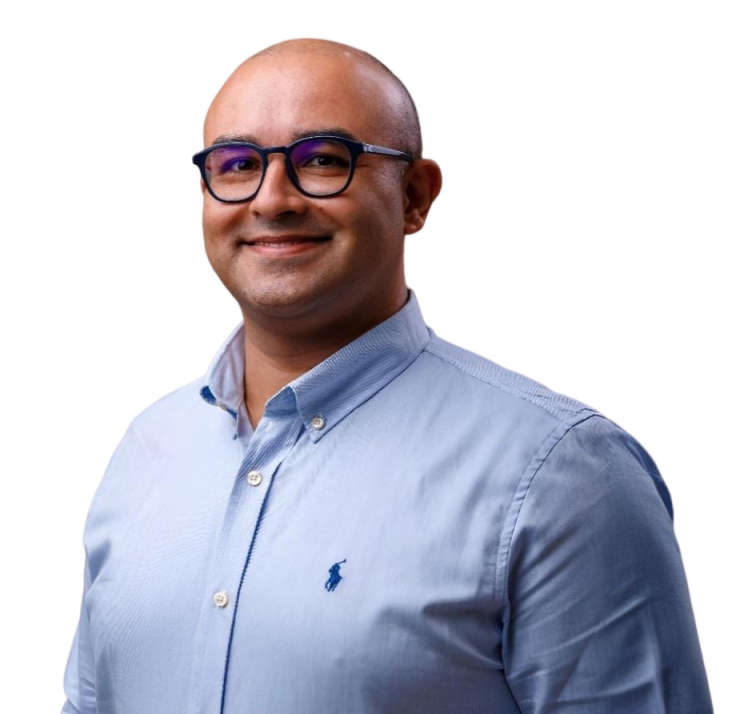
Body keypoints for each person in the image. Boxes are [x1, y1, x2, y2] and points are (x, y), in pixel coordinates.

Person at [61, 37, 712, 713]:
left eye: (322, 159)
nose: (272, 199)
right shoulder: (147, 448)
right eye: (238, 164)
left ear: (415, 197)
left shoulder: (563, 475)